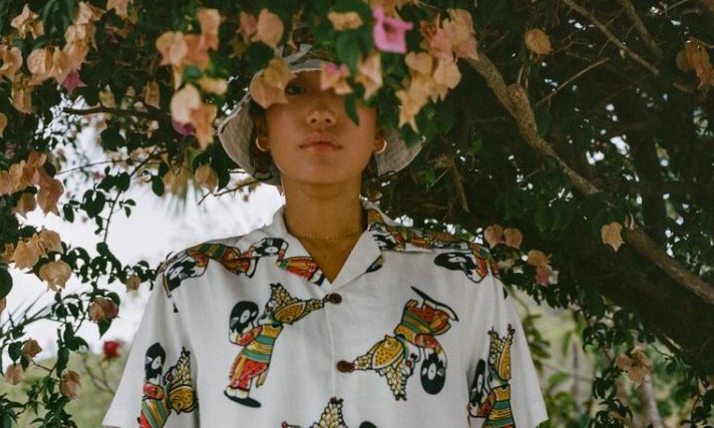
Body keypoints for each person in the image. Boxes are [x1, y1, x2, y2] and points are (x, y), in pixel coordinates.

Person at [102, 37, 549, 428]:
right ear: (262, 128)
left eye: (347, 88)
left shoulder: (463, 277)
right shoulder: (195, 282)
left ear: (379, 128)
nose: (320, 112)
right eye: (294, 89)